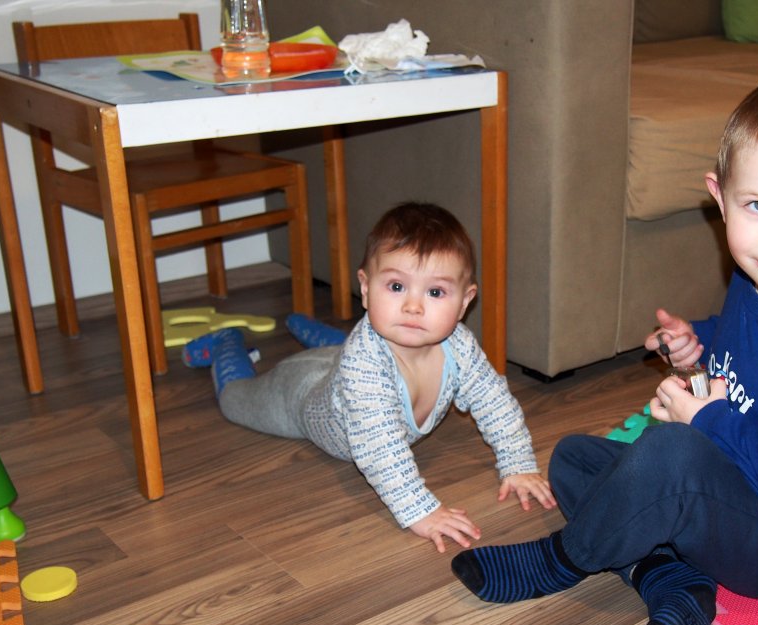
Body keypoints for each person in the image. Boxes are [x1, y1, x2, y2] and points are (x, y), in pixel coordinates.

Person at [450, 67, 758, 625]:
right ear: (719, 198)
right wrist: (698, 342)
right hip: (749, 483)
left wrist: (711, 422)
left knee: (670, 455)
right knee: (574, 458)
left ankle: (562, 559)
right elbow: (750, 341)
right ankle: (670, 577)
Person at [184, 202, 555, 552]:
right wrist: (420, 510)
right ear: (365, 289)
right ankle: (226, 343)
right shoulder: (363, 365)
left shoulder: (460, 347)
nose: (413, 306)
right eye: (396, 287)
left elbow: (494, 402)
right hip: (299, 396)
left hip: (337, 364)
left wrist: (518, 463)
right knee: (236, 400)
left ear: (464, 302)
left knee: (337, 355)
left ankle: (306, 327)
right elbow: (380, 450)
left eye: (435, 292)